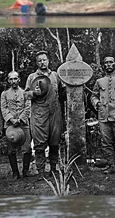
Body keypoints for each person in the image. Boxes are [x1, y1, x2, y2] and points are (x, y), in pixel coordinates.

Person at [24, 50, 65, 180]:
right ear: (36, 63)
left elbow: (63, 92)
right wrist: (34, 93)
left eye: (44, 60)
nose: (42, 62)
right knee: (39, 144)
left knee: (54, 142)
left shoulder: (55, 75)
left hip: (54, 111)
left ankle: (53, 169)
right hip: (39, 113)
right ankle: (40, 171)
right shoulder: (31, 77)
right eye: (39, 60)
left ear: (48, 61)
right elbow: (25, 95)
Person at [1, 71, 32, 179]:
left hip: (23, 124)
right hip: (10, 125)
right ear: (8, 81)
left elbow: (28, 107)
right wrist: (11, 119)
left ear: (19, 80)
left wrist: (20, 119)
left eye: (15, 79)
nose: (13, 81)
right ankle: (15, 172)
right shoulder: (4, 94)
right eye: (11, 79)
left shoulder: (25, 93)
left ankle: (25, 171)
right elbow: (3, 109)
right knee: (11, 150)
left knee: (27, 148)